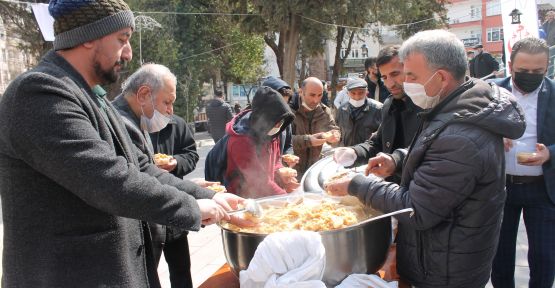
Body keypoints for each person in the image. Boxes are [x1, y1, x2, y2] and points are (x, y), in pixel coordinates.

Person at [0, 1, 241, 286]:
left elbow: (141, 168)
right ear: (89, 37)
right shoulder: (40, 93)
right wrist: (191, 209)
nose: (128, 53)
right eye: (122, 39)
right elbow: (108, 180)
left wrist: (208, 197)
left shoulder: (90, 96)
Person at [326, 29, 526, 287]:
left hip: (445, 270)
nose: (403, 84)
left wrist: (356, 184)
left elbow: (417, 209)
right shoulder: (452, 109)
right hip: (437, 256)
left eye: (410, 75)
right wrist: (398, 160)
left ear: (440, 78)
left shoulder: (462, 134)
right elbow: (434, 151)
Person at [112, 63, 200, 288]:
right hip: (145, 220)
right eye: (167, 102)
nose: (171, 110)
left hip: (171, 214)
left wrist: (181, 169)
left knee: (180, 270)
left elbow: (189, 155)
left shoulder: (154, 123)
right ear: (144, 95)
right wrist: (199, 203)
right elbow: (144, 176)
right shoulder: (122, 124)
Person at [490, 37, 555, 288]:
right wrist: (494, 132)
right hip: (500, 186)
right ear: (510, 65)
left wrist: (549, 153)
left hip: (542, 187)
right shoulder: (491, 91)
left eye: (537, 71)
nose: (530, 75)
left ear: (547, 67)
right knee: (500, 254)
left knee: (544, 256)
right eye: (523, 70)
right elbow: (469, 127)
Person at [333, 45, 422, 183]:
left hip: (420, 189)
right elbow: (378, 142)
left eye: (395, 74)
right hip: (392, 190)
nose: (389, 84)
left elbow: (428, 148)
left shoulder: (427, 104)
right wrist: (355, 152)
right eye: (384, 77)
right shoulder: (388, 105)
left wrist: (396, 159)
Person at [225, 86, 298, 198]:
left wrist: (280, 173)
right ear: (264, 119)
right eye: (276, 122)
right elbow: (258, 181)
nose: (279, 126)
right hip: (242, 197)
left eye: (281, 122)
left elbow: (276, 159)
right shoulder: (240, 141)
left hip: (265, 193)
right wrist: (287, 199)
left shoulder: (272, 132)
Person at [292, 77, 340, 176]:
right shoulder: (289, 111)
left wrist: (335, 135)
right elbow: (283, 141)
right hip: (292, 169)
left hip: (314, 168)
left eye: (320, 95)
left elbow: (333, 129)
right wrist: (308, 140)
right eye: (312, 95)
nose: (316, 100)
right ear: (301, 92)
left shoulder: (324, 111)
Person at [335, 78, 382, 146]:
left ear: (366, 92)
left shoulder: (378, 109)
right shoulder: (342, 109)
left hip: (369, 153)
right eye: (353, 93)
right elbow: (337, 130)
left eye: (361, 93)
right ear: (347, 93)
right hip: (346, 152)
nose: (357, 97)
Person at [262, 76, 296, 163]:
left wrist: (289, 156)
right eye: (279, 105)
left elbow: (288, 145)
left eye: (285, 105)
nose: (282, 110)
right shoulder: (250, 122)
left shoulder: (285, 119)